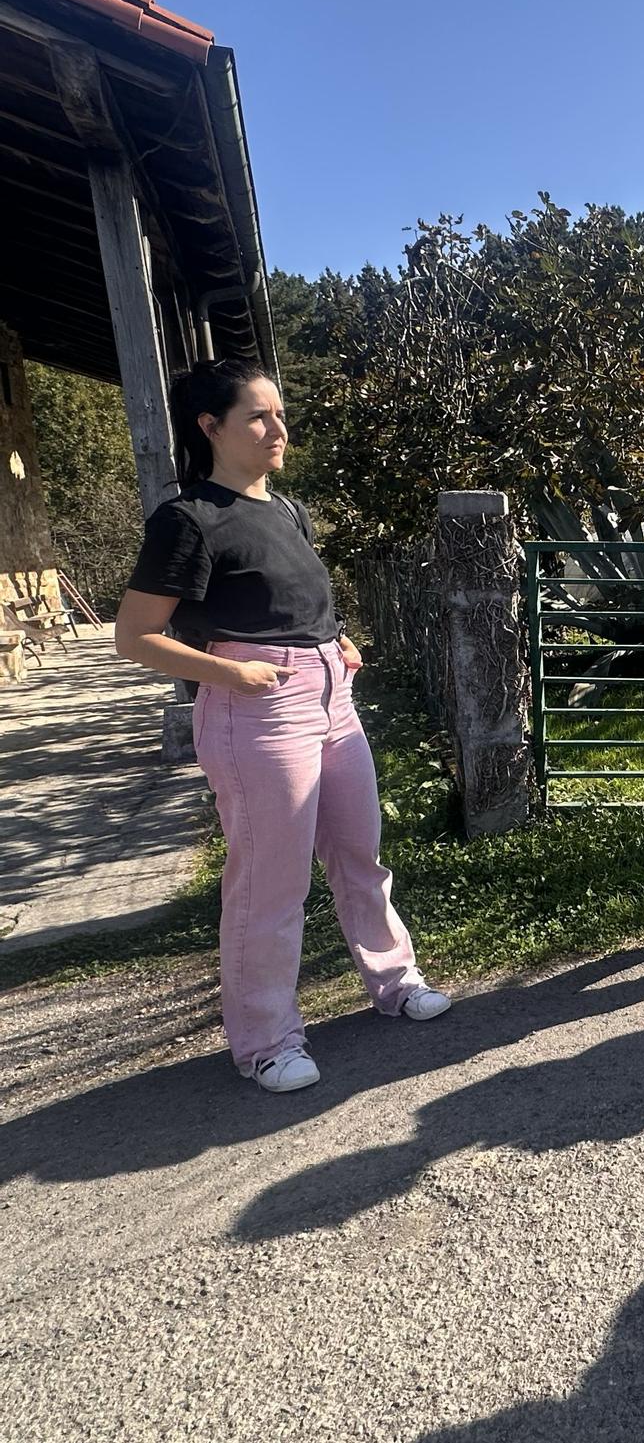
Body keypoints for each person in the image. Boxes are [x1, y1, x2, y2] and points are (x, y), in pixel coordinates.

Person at [115, 359, 450, 1096]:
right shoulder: (188, 518)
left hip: (331, 697)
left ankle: (395, 982)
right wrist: (231, 673)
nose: (278, 429)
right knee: (270, 882)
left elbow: (291, 602)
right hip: (256, 709)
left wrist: (339, 639)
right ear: (210, 427)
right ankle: (266, 1041)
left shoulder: (287, 509)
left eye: (279, 414)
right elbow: (134, 635)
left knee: (360, 853)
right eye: (258, 417)